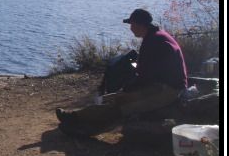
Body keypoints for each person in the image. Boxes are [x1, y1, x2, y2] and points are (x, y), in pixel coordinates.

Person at [56, 8, 188, 137]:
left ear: (139, 25)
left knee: (123, 108)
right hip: (161, 85)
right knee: (118, 100)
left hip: (169, 90)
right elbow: (149, 73)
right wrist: (128, 89)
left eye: (131, 24)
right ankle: (76, 118)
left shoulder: (154, 41)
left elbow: (146, 75)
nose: (130, 28)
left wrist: (127, 89)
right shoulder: (156, 36)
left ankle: (79, 125)